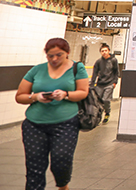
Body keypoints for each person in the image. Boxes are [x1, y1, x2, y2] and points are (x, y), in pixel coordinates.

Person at [15, 38, 89, 190]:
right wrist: (35, 97)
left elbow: (83, 92)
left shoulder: (77, 68)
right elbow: (20, 96)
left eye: (59, 55)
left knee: (61, 160)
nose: (54, 59)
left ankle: (63, 185)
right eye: (50, 56)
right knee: (34, 165)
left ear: (67, 53)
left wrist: (66, 94)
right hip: (34, 124)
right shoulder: (36, 70)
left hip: (66, 123)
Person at [90, 43, 119, 124]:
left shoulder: (113, 60)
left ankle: (107, 112)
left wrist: (115, 82)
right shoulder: (98, 62)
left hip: (109, 83)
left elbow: (116, 72)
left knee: (105, 99)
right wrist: (92, 84)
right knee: (98, 101)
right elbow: (95, 73)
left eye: (106, 50)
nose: (104, 52)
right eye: (102, 51)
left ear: (109, 51)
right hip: (100, 84)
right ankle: (98, 117)